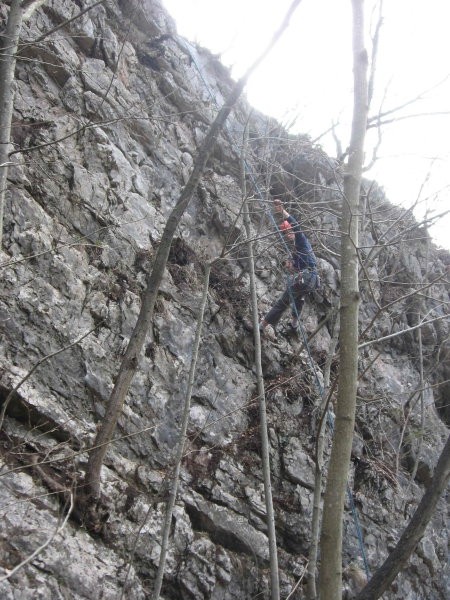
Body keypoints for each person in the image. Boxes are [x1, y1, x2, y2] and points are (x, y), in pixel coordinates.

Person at [260, 199, 319, 334]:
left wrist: (282, 211)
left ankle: (262, 325)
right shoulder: (297, 250)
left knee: (284, 301)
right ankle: (294, 323)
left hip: (307, 277)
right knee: (299, 298)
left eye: (288, 232)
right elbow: (298, 267)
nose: (288, 235)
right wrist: (290, 265)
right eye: (286, 234)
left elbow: (296, 226)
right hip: (311, 280)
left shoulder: (301, 240)